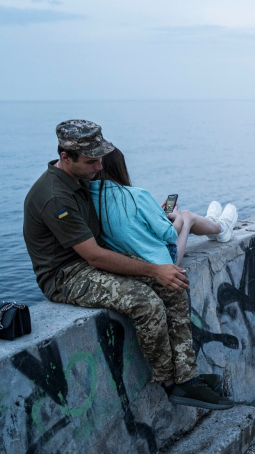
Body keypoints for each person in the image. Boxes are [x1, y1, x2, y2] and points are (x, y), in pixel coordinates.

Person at [23, 120, 233, 410]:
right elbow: (93, 256)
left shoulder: (78, 177)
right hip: (66, 275)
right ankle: (170, 383)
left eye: (100, 159)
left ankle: (188, 378)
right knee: (146, 301)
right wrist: (153, 269)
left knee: (172, 284)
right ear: (65, 157)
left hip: (90, 261)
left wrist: (153, 228)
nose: (99, 167)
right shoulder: (55, 197)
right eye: (91, 161)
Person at [89, 148, 237, 266]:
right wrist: (177, 217)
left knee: (171, 216)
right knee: (186, 216)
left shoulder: (89, 196)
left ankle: (210, 224)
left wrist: (157, 214)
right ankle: (221, 228)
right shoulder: (136, 196)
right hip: (159, 264)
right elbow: (169, 234)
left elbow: (128, 227)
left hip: (127, 262)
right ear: (119, 168)